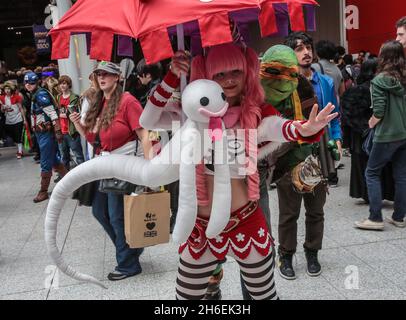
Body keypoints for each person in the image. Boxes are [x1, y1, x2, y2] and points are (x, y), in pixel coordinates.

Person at [140, 43, 337, 300]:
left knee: (264, 296)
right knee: (185, 299)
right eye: (219, 74)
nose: (229, 80)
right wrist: (171, 77)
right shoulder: (191, 113)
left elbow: (277, 127)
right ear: (207, 75)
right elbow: (149, 120)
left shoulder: (255, 112)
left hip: (245, 221)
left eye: (236, 71)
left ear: (248, 72)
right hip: (200, 228)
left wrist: (305, 128)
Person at [69, 61, 153, 280]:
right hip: (103, 166)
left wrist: (149, 168)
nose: (102, 77)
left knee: (117, 217)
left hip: (123, 166)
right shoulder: (99, 102)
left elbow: (144, 134)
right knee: (99, 212)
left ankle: (128, 264)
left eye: (107, 74)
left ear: (118, 77)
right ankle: (130, 250)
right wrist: (78, 124)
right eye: (98, 74)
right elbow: (93, 139)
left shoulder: (128, 101)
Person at [273, 32, 341, 280]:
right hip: (288, 153)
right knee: (289, 212)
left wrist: (337, 137)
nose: (306, 52)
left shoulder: (325, 82)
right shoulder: (279, 83)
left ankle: (312, 252)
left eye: (308, 47)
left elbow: (334, 113)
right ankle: (286, 255)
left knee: (316, 210)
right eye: (299, 48)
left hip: (318, 152)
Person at [355, 40, 406, 230]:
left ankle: (375, 218)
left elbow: (379, 109)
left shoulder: (379, 80)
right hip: (404, 133)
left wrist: (371, 122)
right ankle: (399, 217)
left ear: (383, 56)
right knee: (401, 175)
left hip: (386, 134)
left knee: (372, 172)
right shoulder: (403, 78)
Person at [341, 58, 395, 203]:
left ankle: (366, 194)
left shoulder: (354, 90)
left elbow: (347, 117)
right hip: (382, 132)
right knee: (383, 165)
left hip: (359, 136)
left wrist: (347, 138)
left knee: (362, 165)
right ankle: (384, 193)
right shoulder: (385, 88)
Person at [24, 72, 67, 203]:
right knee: (53, 160)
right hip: (41, 133)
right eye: (26, 82)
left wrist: (58, 130)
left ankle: (43, 191)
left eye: (31, 82)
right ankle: (71, 180)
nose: (28, 85)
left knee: (45, 161)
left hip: (46, 133)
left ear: (36, 83)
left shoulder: (40, 94)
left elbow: (52, 113)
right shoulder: (35, 94)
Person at [56, 75, 84, 170]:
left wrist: (63, 115)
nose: (62, 86)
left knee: (78, 155)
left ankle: (83, 175)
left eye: (64, 83)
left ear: (68, 84)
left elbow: (76, 113)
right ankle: (64, 176)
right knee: (64, 156)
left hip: (72, 131)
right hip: (61, 131)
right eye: (60, 83)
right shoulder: (58, 97)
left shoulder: (74, 97)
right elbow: (56, 112)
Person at [0, 81, 27, 158]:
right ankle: (19, 149)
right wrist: (3, 108)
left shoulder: (17, 97)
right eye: (6, 89)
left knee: (18, 136)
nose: (7, 90)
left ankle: (20, 151)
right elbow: (2, 111)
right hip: (8, 121)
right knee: (12, 136)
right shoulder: (2, 98)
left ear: (11, 89)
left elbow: (21, 109)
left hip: (18, 119)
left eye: (8, 89)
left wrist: (24, 119)